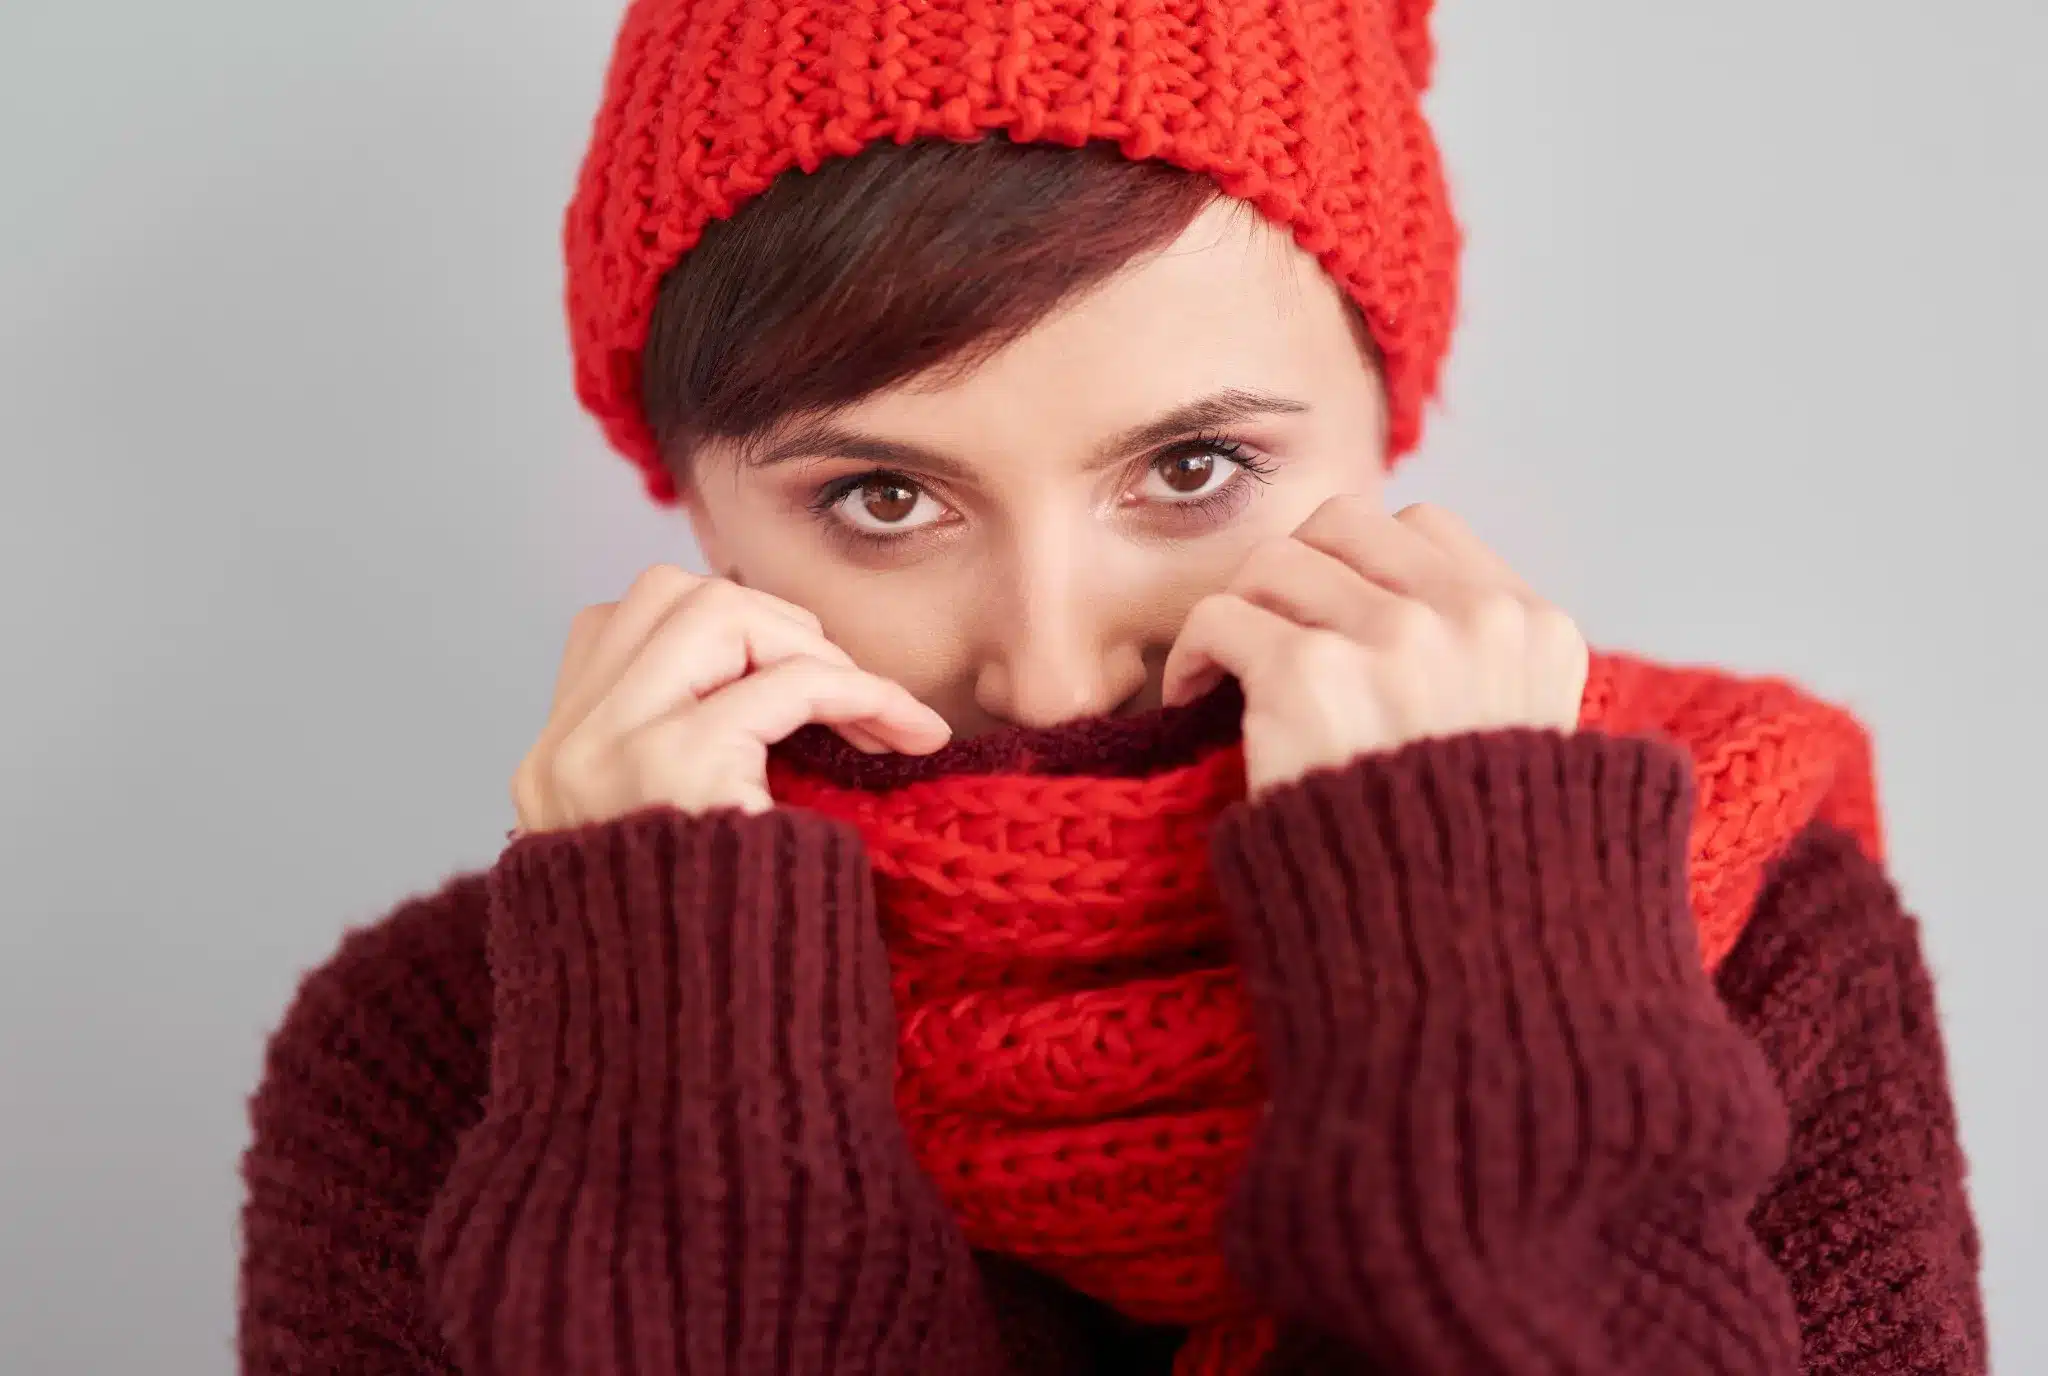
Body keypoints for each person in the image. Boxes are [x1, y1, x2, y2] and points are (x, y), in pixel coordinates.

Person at [235, 0, 1986, 1371]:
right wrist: (674, 1049)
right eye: (885, 500)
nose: (1056, 662)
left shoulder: (1735, 935)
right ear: (688, 494)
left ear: (1388, 421)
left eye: (1195, 470)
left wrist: (1494, 945)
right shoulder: (452, 1051)